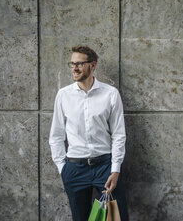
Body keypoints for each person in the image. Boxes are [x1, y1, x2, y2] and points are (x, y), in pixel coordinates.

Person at [49, 45, 129, 221]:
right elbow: (56, 136)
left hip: (105, 167)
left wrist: (115, 170)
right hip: (75, 169)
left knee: (116, 218)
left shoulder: (110, 94)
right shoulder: (63, 95)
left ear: (92, 65)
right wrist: (63, 168)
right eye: (72, 64)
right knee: (80, 218)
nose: (74, 68)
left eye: (79, 64)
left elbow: (118, 134)